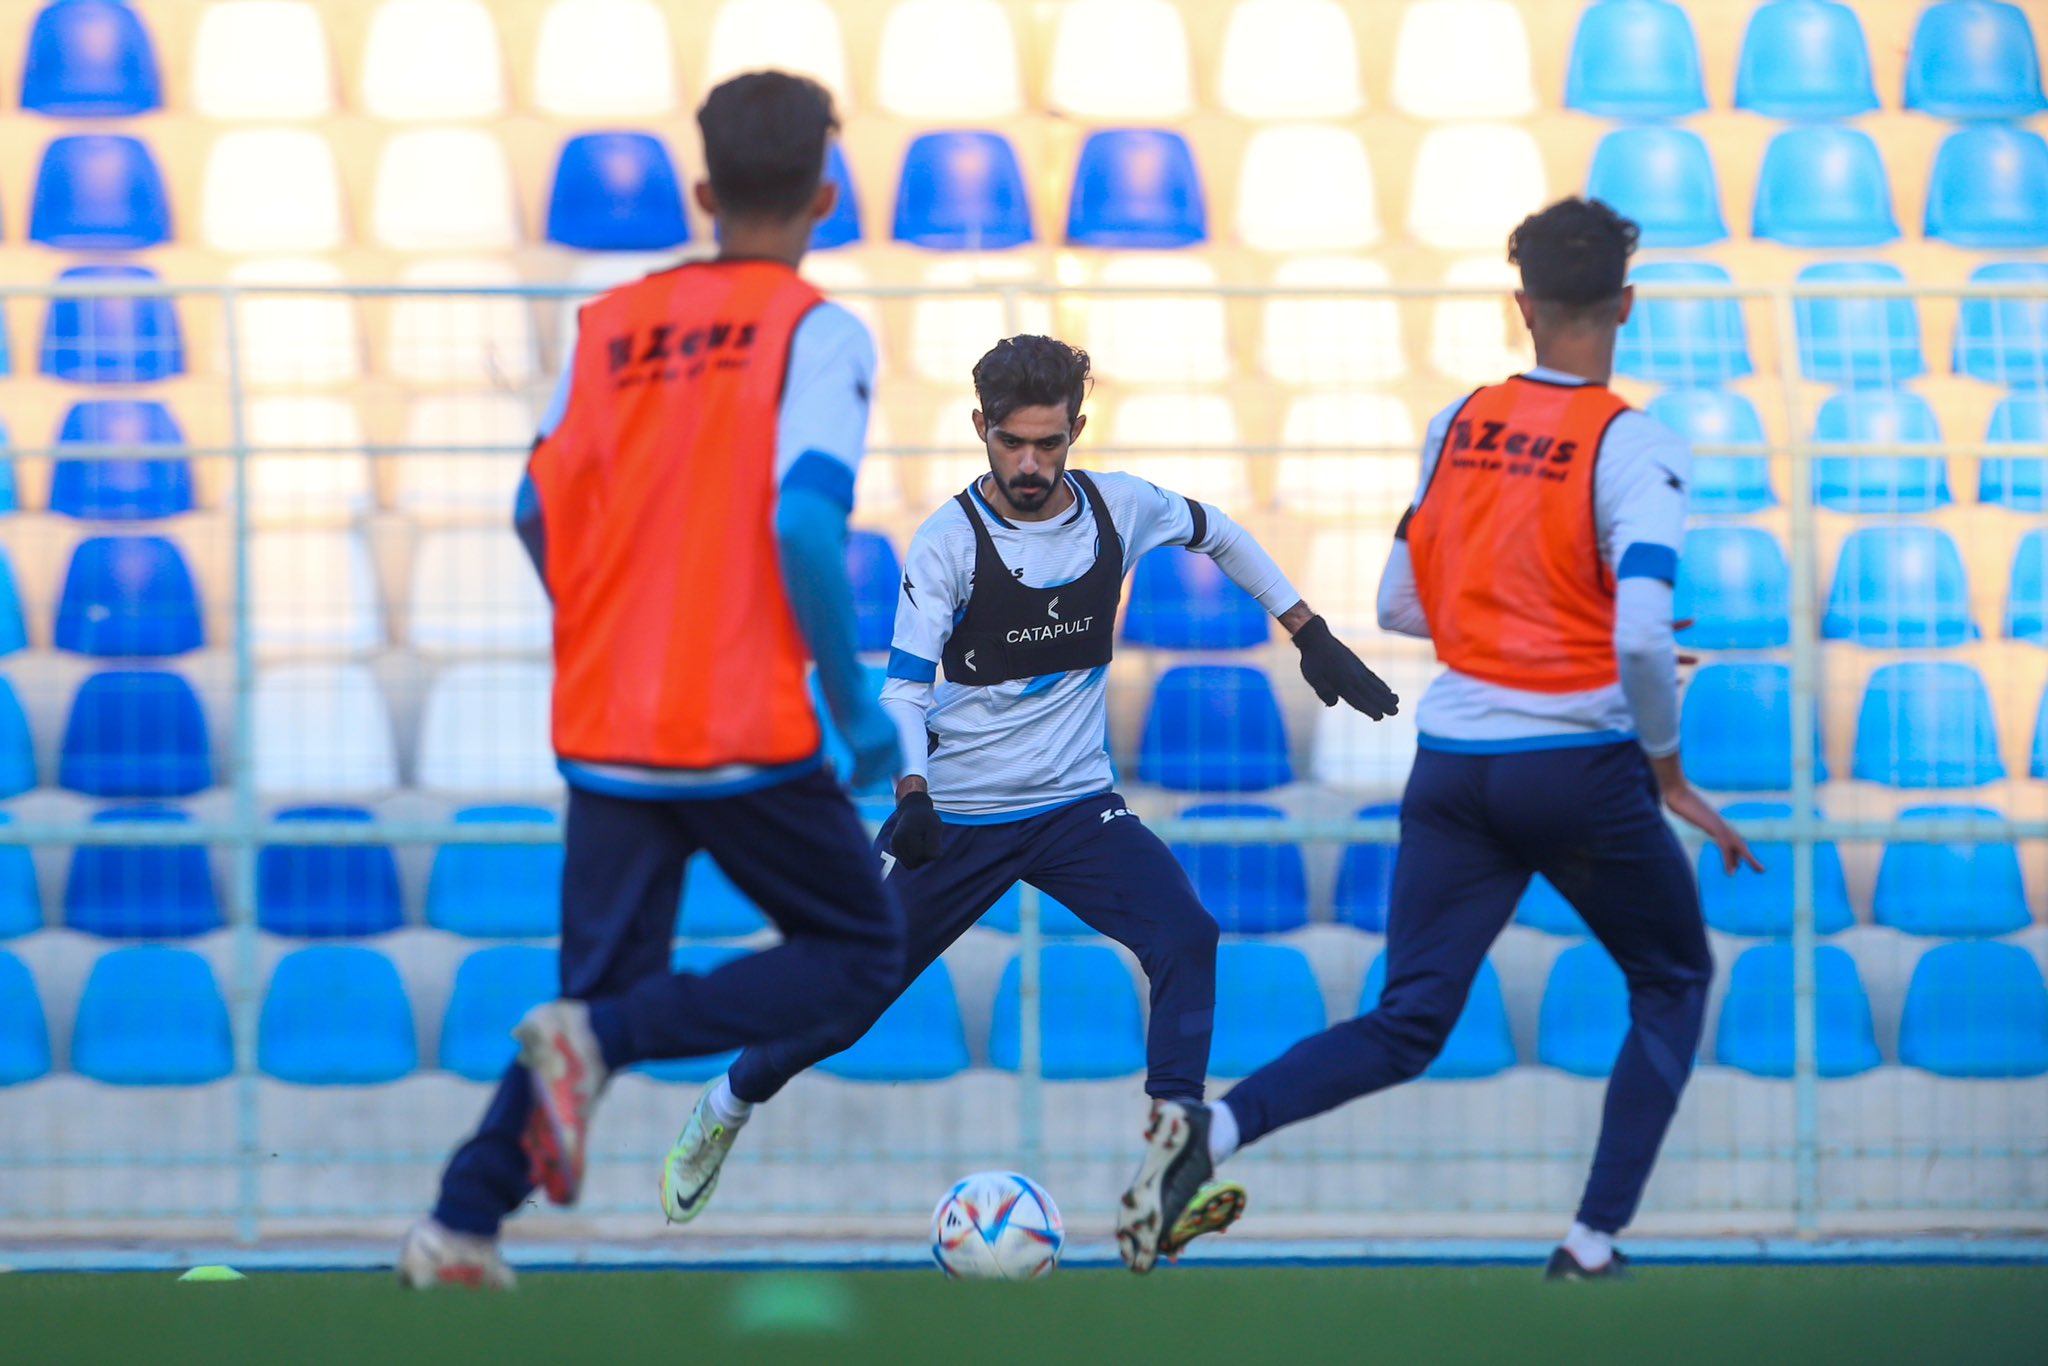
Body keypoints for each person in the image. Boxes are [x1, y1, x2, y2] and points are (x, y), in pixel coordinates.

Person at [1114, 197, 1762, 1279]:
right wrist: (1668, 773)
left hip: (1455, 764)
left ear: (1521, 307)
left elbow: (1399, 603)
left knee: (1407, 1019)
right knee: (1670, 979)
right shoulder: (1633, 444)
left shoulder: (1456, 424)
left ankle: (1213, 1131)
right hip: (1578, 770)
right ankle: (1588, 1240)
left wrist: (1552, 620)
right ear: (1626, 305)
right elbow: (1645, 629)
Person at [658, 334, 1400, 1261]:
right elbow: (903, 689)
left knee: (1187, 935)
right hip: (956, 819)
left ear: (1075, 431)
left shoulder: (1120, 509)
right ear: (982, 430)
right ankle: (726, 1107)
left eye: (1050, 444)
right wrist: (916, 790)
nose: (1032, 464)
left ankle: (1169, 1161)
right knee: (843, 1004)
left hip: (1075, 806)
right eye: (1014, 443)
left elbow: (1222, 532)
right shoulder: (947, 543)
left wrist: (1308, 630)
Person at [399, 71, 909, 1290]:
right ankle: (603, 1040)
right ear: (827, 194)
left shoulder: (607, 323)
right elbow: (802, 526)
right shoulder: (816, 330)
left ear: (700, 190)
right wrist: (855, 712)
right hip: (739, 725)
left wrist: (607, 625)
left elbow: (531, 505)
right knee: (857, 949)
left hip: (609, 721)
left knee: (586, 999)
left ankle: (461, 1225)